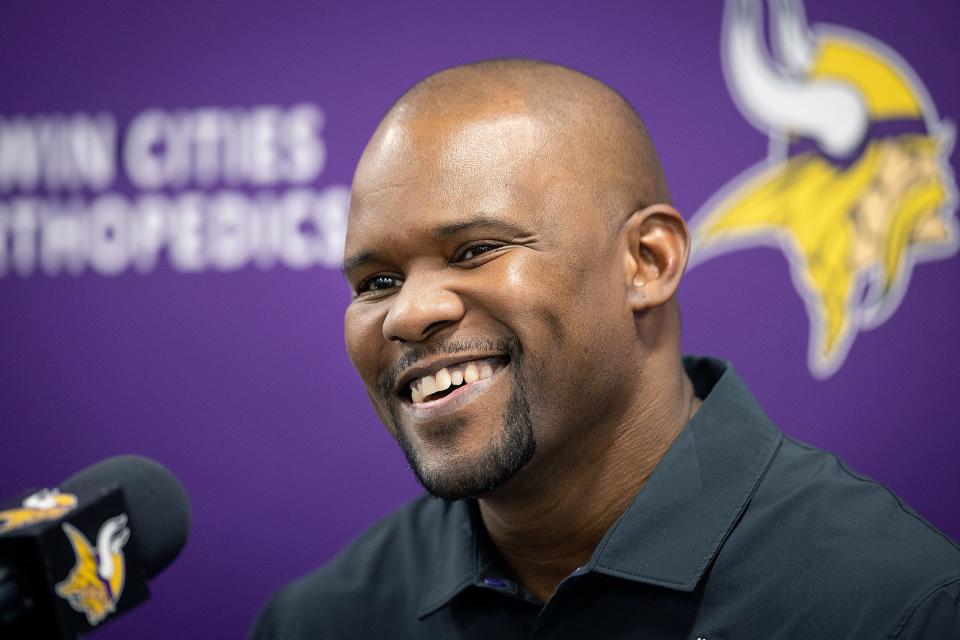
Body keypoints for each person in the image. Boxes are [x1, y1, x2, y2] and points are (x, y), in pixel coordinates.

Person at [250, 59, 960, 639]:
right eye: (377, 281)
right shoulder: (320, 621)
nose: (408, 313)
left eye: (475, 249)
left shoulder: (896, 605)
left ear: (646, 262)